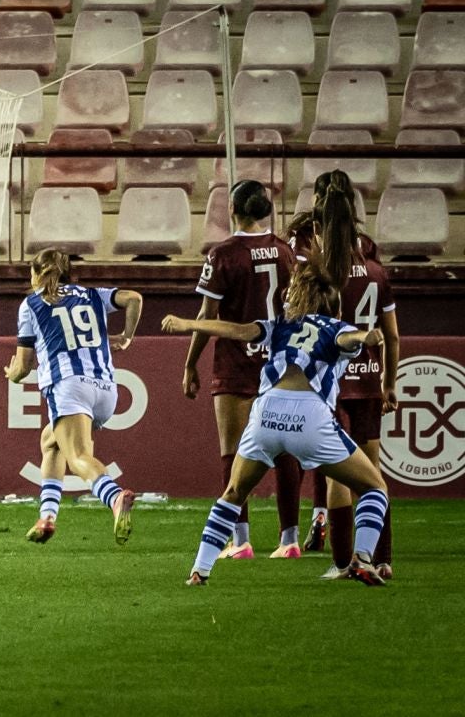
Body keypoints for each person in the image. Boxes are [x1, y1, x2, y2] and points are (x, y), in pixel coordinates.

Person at [162, 260, 392, 587]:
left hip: (266, 414)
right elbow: (347, 340)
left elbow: (237, 330)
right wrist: (366, 336)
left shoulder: (280, 325)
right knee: (374, 487)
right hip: (310, 417)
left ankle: (200, 570)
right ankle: (362, 558)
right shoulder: (336, 327)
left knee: (234, 492)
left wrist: (188, 324)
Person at [179, 180, 303, 559]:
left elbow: (207, 315)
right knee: (285, 448)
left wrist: (190, 363)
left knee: (233, 451)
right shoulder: (286, 252)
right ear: (266, 211)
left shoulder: (223, 254)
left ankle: (241, 539)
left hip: (236, 362)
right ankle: (289, 539)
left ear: (231, 209)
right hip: (280, 361)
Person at [288, 170, 401, 579]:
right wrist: (388, 381)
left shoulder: (319, 274)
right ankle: (381, 558)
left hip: (330, 384)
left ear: (317, 226)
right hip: (370, 380)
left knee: (336, 472)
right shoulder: (375, 269)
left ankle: (341, 563)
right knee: (372, 472)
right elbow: (391, 334)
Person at [2, 248, 142, 545]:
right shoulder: (93, 295)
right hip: (106, 389)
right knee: (50, 442)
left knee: (78, 456)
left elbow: (24, 365)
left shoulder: (32, 304)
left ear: (37, 274)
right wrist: (127, 337)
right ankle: (47, 517)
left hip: (69, 386)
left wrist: (10, 374)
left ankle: (115, 497)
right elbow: (134, 298)